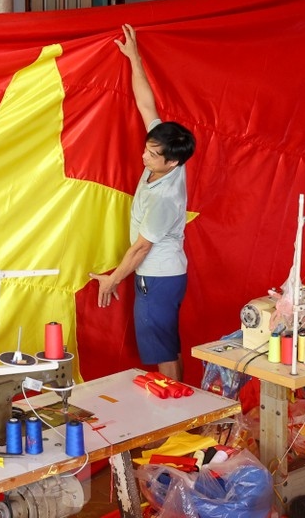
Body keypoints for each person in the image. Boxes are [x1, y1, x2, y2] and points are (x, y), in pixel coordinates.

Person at [90, 24, 196, 381]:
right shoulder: (167, 150)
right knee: (167, 344)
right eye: (147, 149)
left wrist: (112, 280)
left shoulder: (166, 197)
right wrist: (134, 58)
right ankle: (180, 411)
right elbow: (145, 102)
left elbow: (140, 250)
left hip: (158, 276)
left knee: (163, 352)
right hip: (165, 274)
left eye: (152, 155)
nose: (144, 156)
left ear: (173, 163)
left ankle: (177, 421)